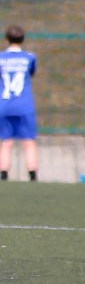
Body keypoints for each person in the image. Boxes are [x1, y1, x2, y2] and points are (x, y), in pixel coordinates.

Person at [1, 24, 38, 182]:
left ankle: (3, 175)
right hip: (24, 105)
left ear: (7, 39)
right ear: (22, 39)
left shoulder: (1, 58)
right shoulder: (29, 57)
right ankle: (33, 176)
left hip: (4, 105)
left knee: (6, 142)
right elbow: (31, 73)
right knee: (28, 142)